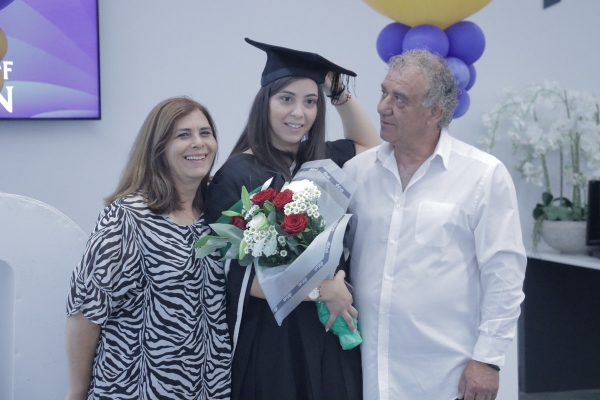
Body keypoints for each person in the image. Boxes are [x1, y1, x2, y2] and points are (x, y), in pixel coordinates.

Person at [344, 49, 527, 400]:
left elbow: (504, 276)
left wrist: (488, 359)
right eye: (383, 92)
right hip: (369, 372)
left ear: (436, 113)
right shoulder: (357, 173)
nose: (382, 107)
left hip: (447, 376)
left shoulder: (483, 176)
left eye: (400, 99)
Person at [204, 38, 380, 400]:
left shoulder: (321, 161)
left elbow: (371, 147)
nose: (299, 112)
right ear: (264, 103)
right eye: (286, 99)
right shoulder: (237, 175)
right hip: (274, 340)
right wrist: (320, 291)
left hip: (328, 332)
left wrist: (337, 91)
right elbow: (235, 276)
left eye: (310, 101)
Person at [64, 97, 231, 400]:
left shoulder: (217, 215)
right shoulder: (127, 217)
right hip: (135, 389)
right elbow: (85, 311)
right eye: (183, 135)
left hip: (209, 390)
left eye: (205, 133)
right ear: (158, 148)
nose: (199, 143)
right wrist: (76, 393)